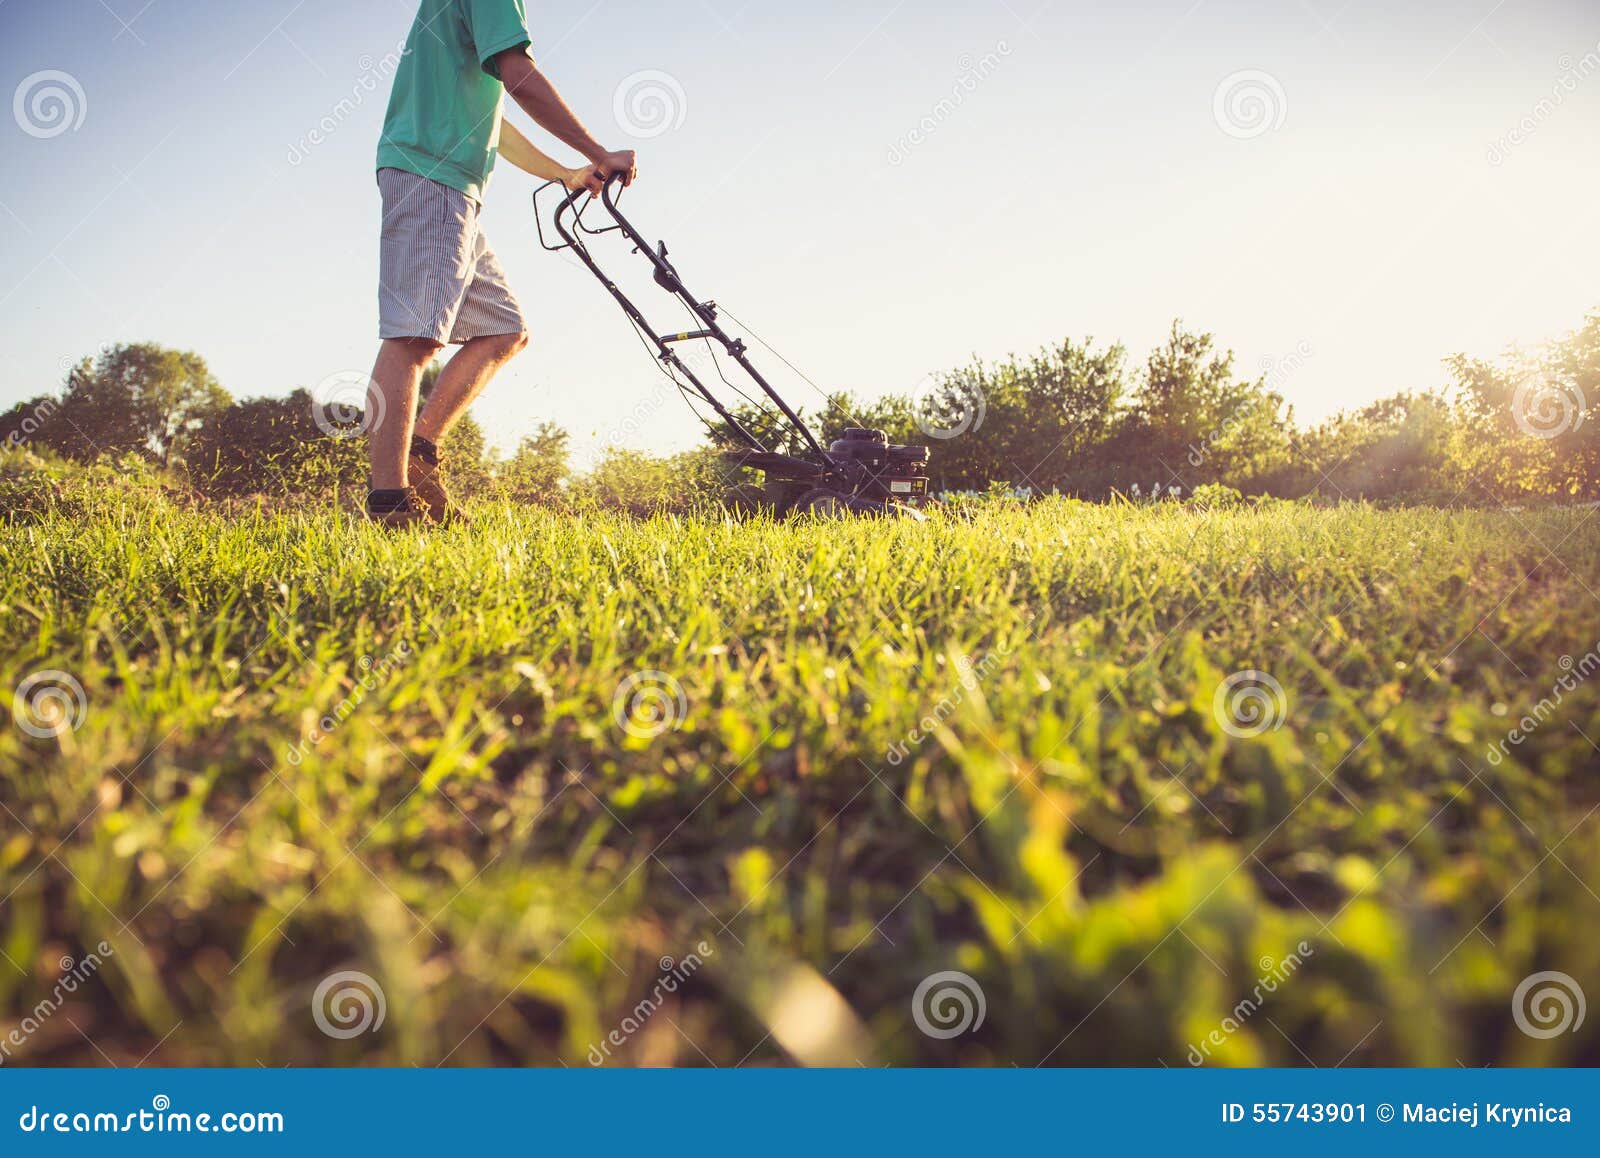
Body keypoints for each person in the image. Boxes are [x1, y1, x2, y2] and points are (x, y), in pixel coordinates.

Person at [365, 0, 637, 526]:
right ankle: (390, 503)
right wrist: (599, 150)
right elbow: (520, 76)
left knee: (503, 330)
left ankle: (419, 455)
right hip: (431, 174)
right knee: (414, 337)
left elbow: (497, 123)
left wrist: (564, 172)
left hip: (454, 187)